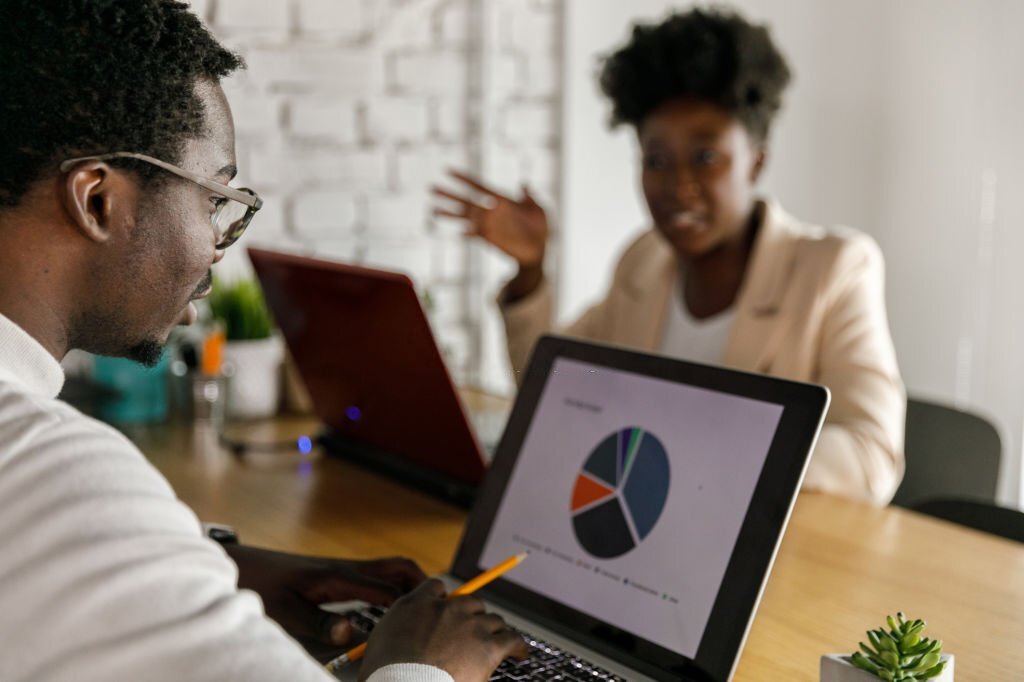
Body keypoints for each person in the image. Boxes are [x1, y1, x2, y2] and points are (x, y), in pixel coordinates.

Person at [0, 2, 523, 681]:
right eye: (215, 199)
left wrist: (199, 565)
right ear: (98, 199)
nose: (218, 246)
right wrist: (425, 667)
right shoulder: (51, 472)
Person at [433, 7, 905, 506]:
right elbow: (554, 391)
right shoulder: (644, 261)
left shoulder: (833, 268)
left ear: (757, 159)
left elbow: (870, 454)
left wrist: (695, 449)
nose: (678, 187)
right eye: (656, 161)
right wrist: (531, 272)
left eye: (705, 157)